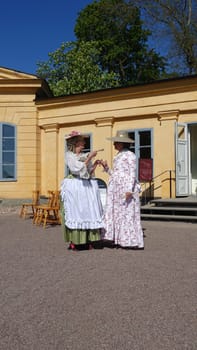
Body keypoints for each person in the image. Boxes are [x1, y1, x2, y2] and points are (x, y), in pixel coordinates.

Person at [100, 130, 144, 250]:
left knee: (127, 213)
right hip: (116, 188)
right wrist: (107, 168)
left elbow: (132, 173)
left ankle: (130, 240)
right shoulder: (117, 156)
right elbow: (116, 174)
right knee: (118, 213)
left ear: (122, 143)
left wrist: (129, 189)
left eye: (116, 142)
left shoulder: (130, 155)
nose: (114, 144)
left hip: (125, 187)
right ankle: (119, 239)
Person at [60, 131, 103, 251]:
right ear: (76, 143)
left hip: (85, 186)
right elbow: (76, 169)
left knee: (86, 211)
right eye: (81, 142)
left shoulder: (82, 156)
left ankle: (86, 240)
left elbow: (87, 172)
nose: (83, 144)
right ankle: (76, 241)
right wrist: (89, 157)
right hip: (75, 185)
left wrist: (94, 163)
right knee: (76, 212)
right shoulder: (69, 155)